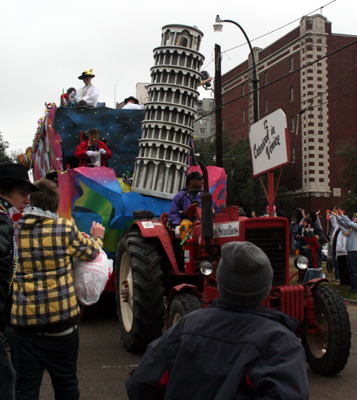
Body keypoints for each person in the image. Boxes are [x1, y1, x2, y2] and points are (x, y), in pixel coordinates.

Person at [126, 241, 309, 400]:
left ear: (220, 281)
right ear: (266, 286)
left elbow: (141, 384)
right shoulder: (283, 345)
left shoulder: (186, 327)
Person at [11, 178, 105, 400]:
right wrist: (98, 238)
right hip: (62, 324)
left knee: (25, 388)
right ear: (55, 205)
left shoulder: (14, 230)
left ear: (31, 202)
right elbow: (91, 253)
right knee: (66, 384)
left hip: (24, 326)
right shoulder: (63, 227)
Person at [0, 164, 43, 400]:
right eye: (22, 194)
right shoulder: (3, 220)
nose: (27, 200)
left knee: (13, 371)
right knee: (7, 378)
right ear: (4, 192)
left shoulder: (11, 217)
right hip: (5, 307)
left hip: (9, 309)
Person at [331, 208, 357, 292]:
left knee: (354, 270)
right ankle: (353, 286)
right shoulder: (352, 228)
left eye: (355, 217)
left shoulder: (355, 226)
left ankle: (355, 287)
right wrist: (338, 217)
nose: (354, 219)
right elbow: (344, 225)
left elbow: (349, 223)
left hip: (354, 250)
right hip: (350, 250)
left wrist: (343, 215)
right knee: (351, 270)